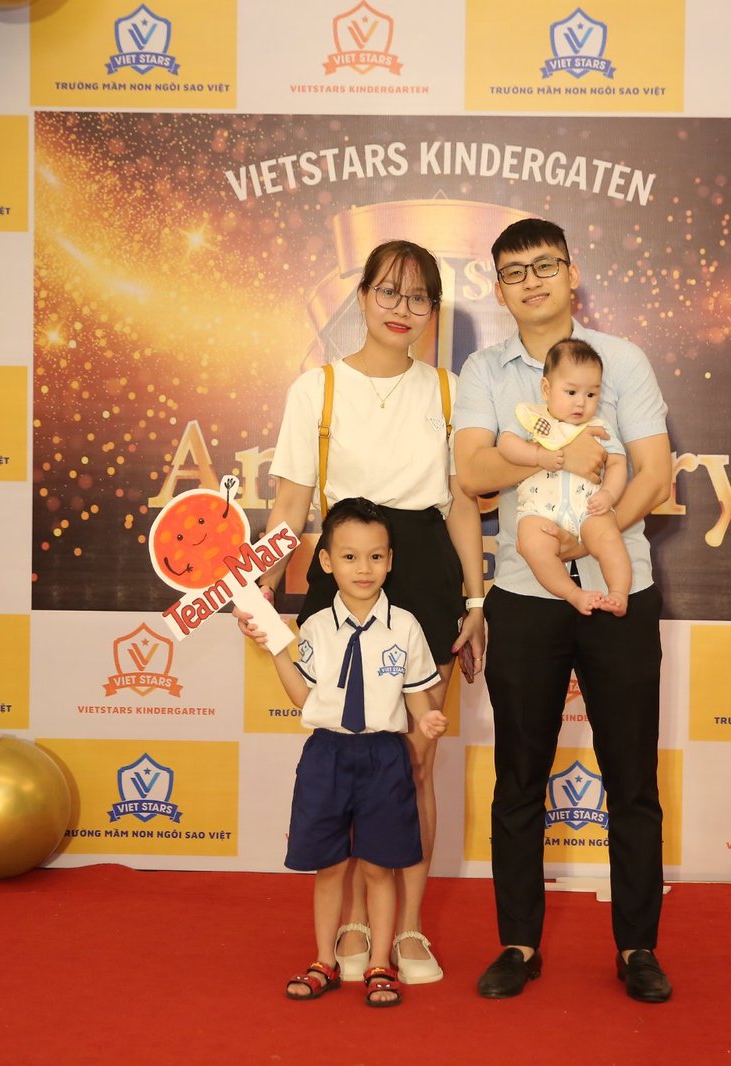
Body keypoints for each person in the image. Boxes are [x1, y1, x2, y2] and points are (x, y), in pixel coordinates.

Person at [242, 239, 487, 986]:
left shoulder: (449, 391)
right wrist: (255, 585)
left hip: (426, 576)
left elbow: (462, 507)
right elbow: (291, 505)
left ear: (433, 309)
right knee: (346, 753)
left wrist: (475, 599)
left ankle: (407, 928)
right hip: (343, 565)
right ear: (363, 295)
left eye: (419, 298)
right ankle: (351, 921)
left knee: (413, 760)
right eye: (389, 292)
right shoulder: (314, 389)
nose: (402, 310)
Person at [452, 218, 674, 1004]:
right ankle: (518, 944)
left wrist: (588, 538)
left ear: (572, 273)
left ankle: (638, 946)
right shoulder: (484, 369)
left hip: (619, 590)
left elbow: (654, 470)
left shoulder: (622, 359)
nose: (532, 281)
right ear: (499, 288)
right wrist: (555, 457)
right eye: (515, 272)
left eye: (545, 265)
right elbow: (474, 472)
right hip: (522, 593)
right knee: (519, 776)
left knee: (632, 778)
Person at [251, 498, 449, 1008]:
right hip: (328, 756)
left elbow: (416, 691)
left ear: (390, 560)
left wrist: (426, 717)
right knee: (331, 867)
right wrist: (276, 649)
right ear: (326, 562)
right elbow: (304, 697)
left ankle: (380, 963)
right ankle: (325, 959)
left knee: (380, 866)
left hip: (385, 757)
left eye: (376, 557)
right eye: (350, 557)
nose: (364, 568)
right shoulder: (316, 627)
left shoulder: (406, 626)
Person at [496, 337, 630, 616]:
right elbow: (506, 444)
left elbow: (617, 463)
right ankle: (573, 593)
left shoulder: (599, 428)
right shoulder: (532, 420)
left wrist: (608, 494)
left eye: (591, 395)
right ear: (546, 389)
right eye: (571, 392)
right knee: (534, 544)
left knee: (609, 539)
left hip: (588, 508)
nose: (581, 403)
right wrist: (537, 455)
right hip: (539, 511)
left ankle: (618, 593)